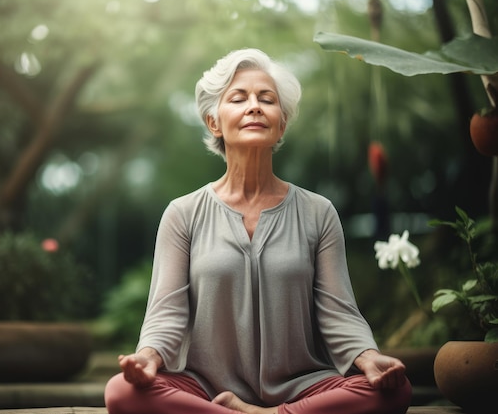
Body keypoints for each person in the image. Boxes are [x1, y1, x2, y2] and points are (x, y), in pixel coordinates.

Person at [104, 48, 411, 414]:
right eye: (239, 98)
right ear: (214, 122)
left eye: (267, 99)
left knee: (395, 389)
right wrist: (148, 357)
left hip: (303, 386)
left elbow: (338, 312)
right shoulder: (182, 214)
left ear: (281, 124)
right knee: (121, 391)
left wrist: (369, 357)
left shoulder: (318, 213)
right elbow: (167, 314)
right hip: (204, 386)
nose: (254, 106)